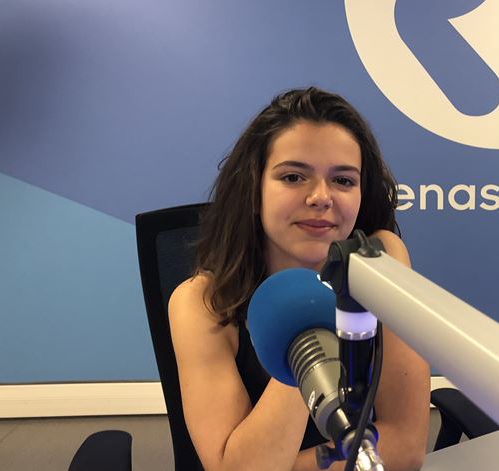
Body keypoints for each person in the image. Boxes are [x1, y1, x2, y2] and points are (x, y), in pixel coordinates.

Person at [168, 87, 431, 471]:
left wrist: (279, 466)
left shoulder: (379, 260)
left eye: (343, 181)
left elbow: (405, 447)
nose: (321, 197)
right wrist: (307, 323)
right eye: (293, 177)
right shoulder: (201, 302)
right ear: (254, 191)